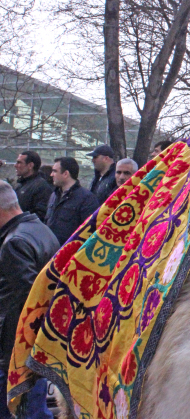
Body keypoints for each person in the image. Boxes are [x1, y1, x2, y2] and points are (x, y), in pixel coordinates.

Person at [0, 181, 59, 419]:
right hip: (36, 345)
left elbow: (23, 303)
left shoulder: (14, 242)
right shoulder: (40, 228)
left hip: (16, 350)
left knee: (20, 410)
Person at [46, 157, 99, 245]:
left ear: (66, 174)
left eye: (55, 171)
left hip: (71, 252)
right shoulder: (54, 195)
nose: (51, 174)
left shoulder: (87, 198)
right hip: (51, 250)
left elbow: (90, 231)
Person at [13, 151, 53, 222]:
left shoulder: (42, 187)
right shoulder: (20, 185)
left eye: (19, 162)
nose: (15, 165)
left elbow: (41, 214)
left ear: (30, 165)